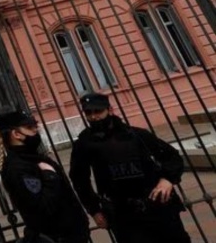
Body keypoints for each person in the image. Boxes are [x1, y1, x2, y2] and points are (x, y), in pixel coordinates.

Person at [69, 92, 190, 243]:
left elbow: (171, 156)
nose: (94, 117)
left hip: (157, 206)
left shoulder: (136, 134)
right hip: (122, 214)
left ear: (110, 110)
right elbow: (79, 180)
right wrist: (94, 210)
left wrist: (167, 180)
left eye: (98, 111)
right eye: (89, 113)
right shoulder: (84, 144)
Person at [0, 109, 90, 243]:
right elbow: (42, 207)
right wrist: (50, 177)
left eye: (35, 126)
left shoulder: (33, 158)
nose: (36, 130)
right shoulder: (18, 167)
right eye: (29, 128)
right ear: (16, 134)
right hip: (56, 238)